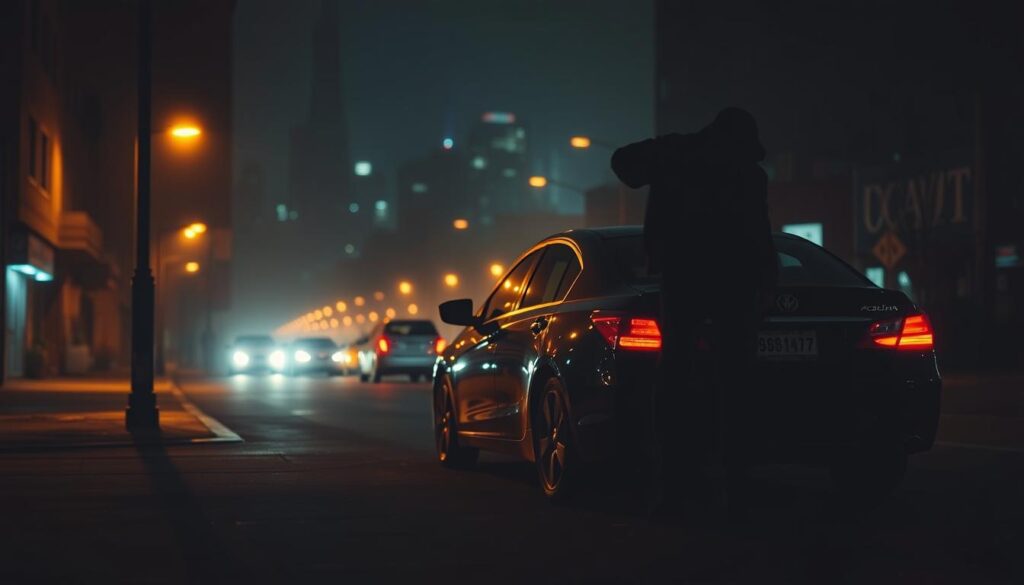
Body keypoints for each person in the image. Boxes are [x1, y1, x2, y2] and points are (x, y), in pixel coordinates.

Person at [611, 107, 777, 523]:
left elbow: (624, 164)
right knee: (734, 385)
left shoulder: (678, 155)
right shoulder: (747, 175)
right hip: (732, 282)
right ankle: (734, 490)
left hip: (686, 277)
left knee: (677, 380)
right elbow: (760, 234)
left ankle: (678, 489)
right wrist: (767, 283)